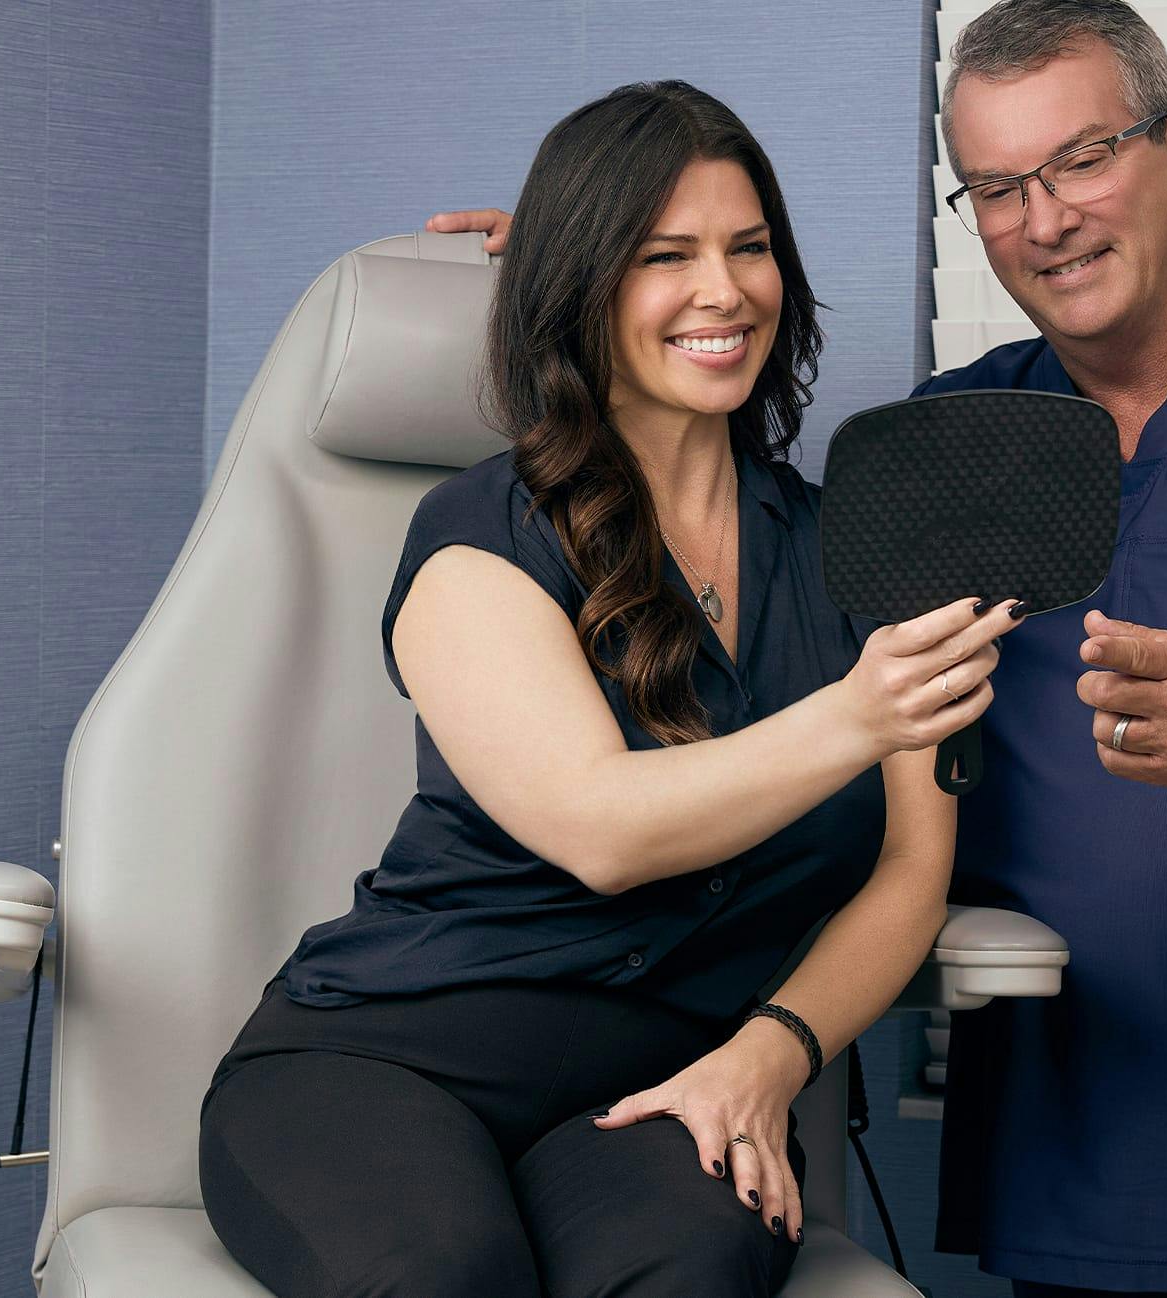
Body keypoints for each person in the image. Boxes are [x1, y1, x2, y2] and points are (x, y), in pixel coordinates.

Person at [428, 1, 1167, 1295]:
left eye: (1082, 158)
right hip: (1064, 1170)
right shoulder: (954, 440)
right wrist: (598, 275)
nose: (1043, 217)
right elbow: (737, 530)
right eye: (997, 186)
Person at [198, 80, 1020, 1298]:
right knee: (448, 1276)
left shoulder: (867, 555)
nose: (724, 290)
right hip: (386, 1060)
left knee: (684, 1276)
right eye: (662, 256)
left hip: (673, 1085)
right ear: (582, 287)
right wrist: (854, 714)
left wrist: (772, 1056)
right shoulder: (479, 534)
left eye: (750, 249)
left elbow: (912, 871)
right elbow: (602, 829)